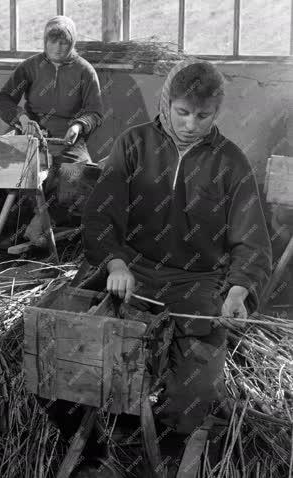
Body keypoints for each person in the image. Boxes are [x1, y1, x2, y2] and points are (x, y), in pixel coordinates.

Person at [82, 59, 272, 458]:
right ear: (167, 104)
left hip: (198, 280)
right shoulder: (133, 144)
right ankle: (105, 432)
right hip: (134, 269)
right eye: (182, 113)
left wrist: (239, 289)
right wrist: (114, 263)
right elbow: (101, 212)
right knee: (94, 355)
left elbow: (252, 239)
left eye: (203, 116)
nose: (191, 124)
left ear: (216, 112)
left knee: (197, 390)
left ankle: (167, 444)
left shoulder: (231, 162)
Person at [0, 15, 104, 245]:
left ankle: (44, 223)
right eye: (52, 42)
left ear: (72, 43)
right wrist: (21, 118)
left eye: (64, 42)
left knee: (77, 176)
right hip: (30, 132)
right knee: (6, 169)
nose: (57, 48)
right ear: (45, 41)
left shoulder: (85, 71)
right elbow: (3, 100)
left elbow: (95, 112)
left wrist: (78, 125)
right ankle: (9, 229)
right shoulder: (30, 66)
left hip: (68, 139)